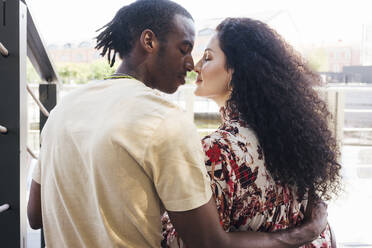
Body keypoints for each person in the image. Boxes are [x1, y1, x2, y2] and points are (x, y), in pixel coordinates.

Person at [27, 1, 329, 247]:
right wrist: (304, 233)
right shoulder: (163, 119)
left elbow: (35, 215)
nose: (190, 63)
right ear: (149, 41)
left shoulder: (63, 110)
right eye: (184, 49)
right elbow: (209, 244)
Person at [162, 18, 341, 248]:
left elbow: (183, 243)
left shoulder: (217, 151)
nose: (196, 66)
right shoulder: (291, 141)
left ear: (236, 72)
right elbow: (316, 229)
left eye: (207, 57)